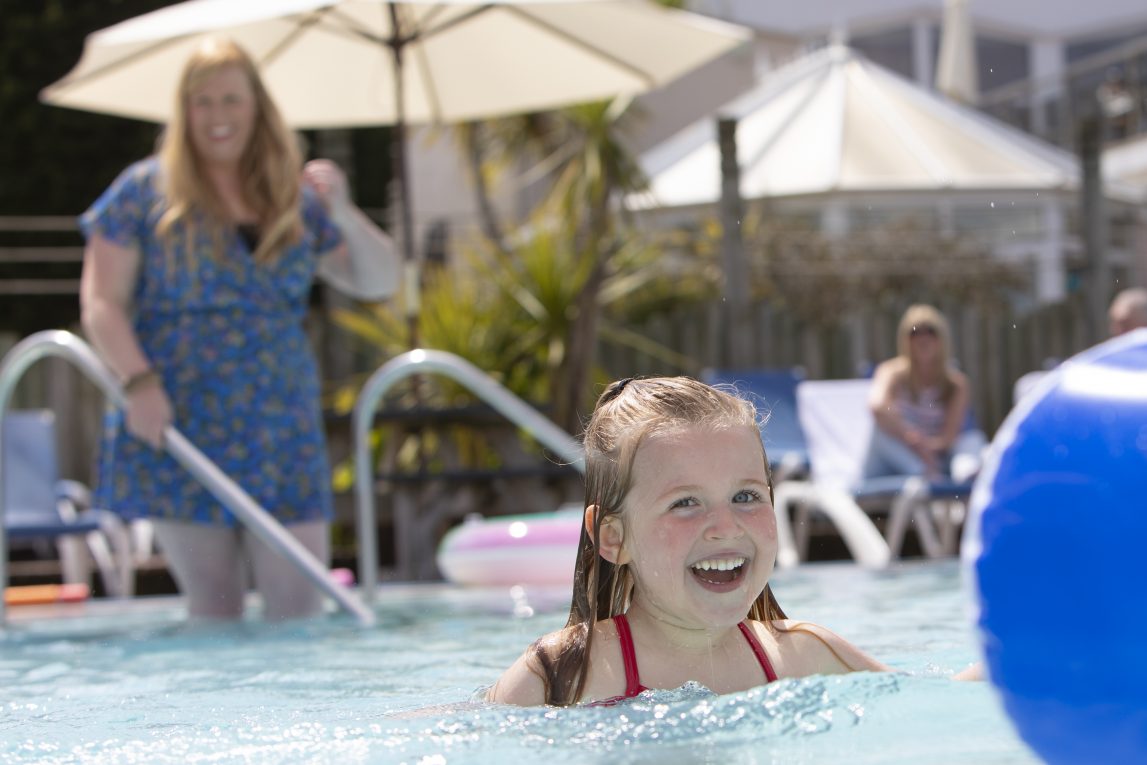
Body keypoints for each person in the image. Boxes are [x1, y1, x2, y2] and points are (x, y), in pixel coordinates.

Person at [78, 37, 399, 621]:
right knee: (215, 610)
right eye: (202, 102)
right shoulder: (143, 192)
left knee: (299, 609)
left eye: (231, 99)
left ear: (257, 106)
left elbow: (380, 280)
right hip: (183, 417)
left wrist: (346, 213)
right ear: (184, 111)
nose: (218, 115)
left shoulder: (292, 199)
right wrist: (138, 382)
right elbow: (101, 301)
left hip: (280, 425)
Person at [486, 377, 896, 706]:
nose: (725, 526)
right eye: (685, 503)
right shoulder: (564, 676)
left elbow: (934, 708)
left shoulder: (805, 657)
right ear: (613, 537)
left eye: (746, 496)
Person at [864, 305, 984, 483]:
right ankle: (921, 474)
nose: (923, 338)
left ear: (942, 338)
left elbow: (948, 438)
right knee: (879, 430)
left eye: (930, 331)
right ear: (905, 340)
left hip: (932, 458)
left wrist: (926, 447)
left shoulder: (956, 384)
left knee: (972, 438)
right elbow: (877, 407)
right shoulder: (891, 373)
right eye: (915, 332)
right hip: (892, 461)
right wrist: (912, 439)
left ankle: (968, 477)